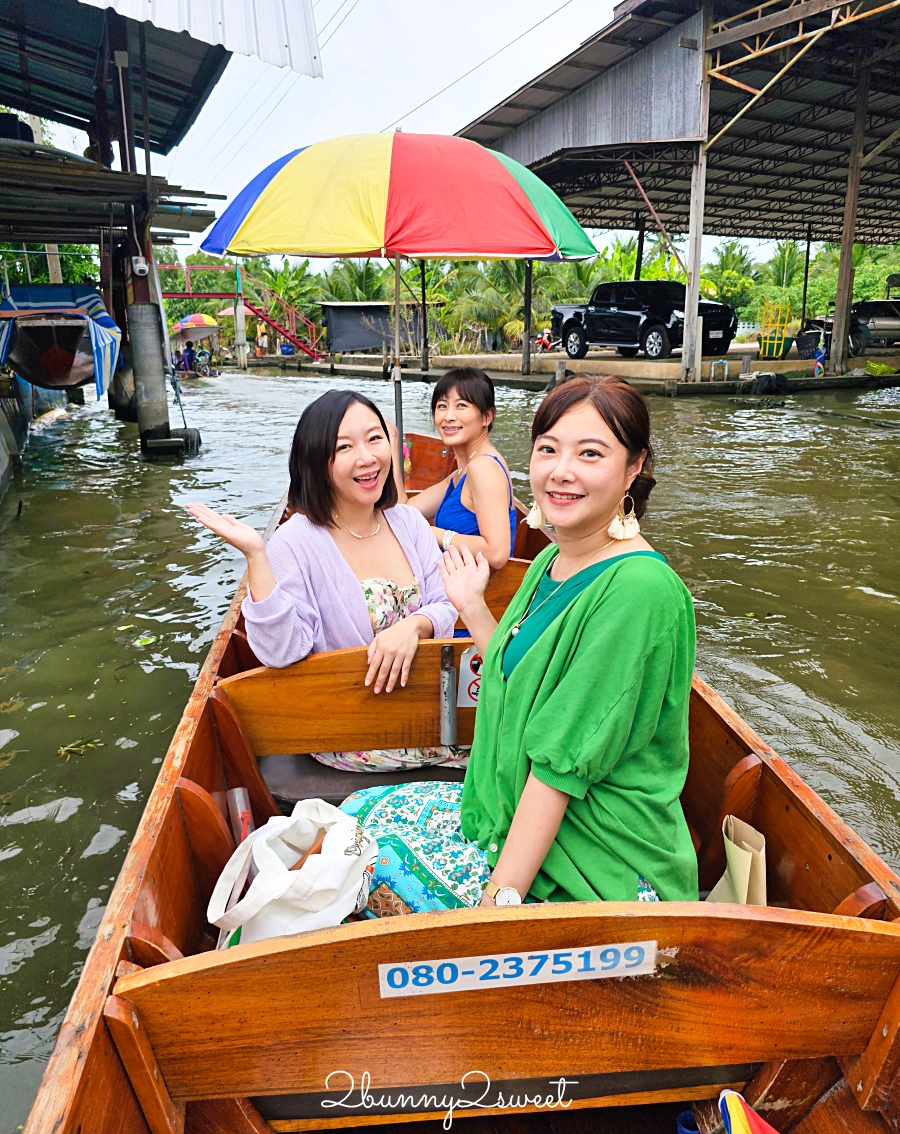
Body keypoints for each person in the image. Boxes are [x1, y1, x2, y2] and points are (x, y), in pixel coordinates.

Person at [341, 375, 698, 917]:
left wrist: (497, 912)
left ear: (633, 467)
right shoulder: (558, 558)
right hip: (520, 811)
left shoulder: (638, 593)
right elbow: (512, 672)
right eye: (548, 449)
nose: (561, 471)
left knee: (363, 865)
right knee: (356, 812)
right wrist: (471, 606)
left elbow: (560, 767)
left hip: (596, 860)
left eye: (590, 453)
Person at [185, 390, 464, 773]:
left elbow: (449, 601)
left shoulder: (409, 522)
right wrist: (256, 555)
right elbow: (283, 652)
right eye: (344, 447)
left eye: (374, 438)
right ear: (316, 461)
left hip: (428, 710)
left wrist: (416, 626)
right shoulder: (295, 541)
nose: (367, 458)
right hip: (350, 731)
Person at [402, 368, 516, 571]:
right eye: (442, 406)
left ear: (486, 417)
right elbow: (406, 510)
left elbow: (497, 553)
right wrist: (393, 445)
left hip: (478, 594)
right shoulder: (460, 473)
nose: (448, 416)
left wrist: (432, 533)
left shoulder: (484, 467)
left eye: (461, 405)